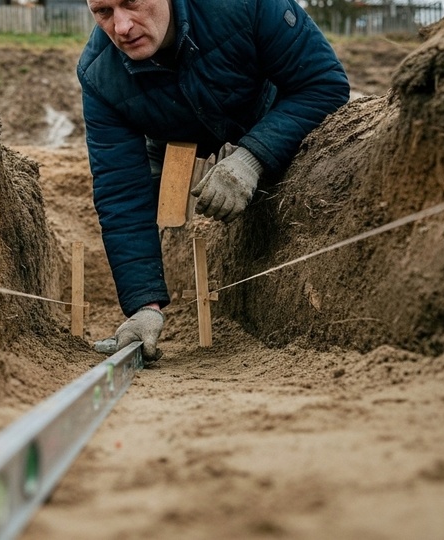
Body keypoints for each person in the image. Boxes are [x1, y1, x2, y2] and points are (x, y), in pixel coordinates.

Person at [78, 0, 349, 362]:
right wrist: (144, 304)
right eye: (104, 12)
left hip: (267, 110)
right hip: (171, 131)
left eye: (131, 3)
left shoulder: (243, 5)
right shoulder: (99, 74)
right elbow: (121, 192)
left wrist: (252, 159)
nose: (122, 27)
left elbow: (323, 83)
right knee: (153, 202)